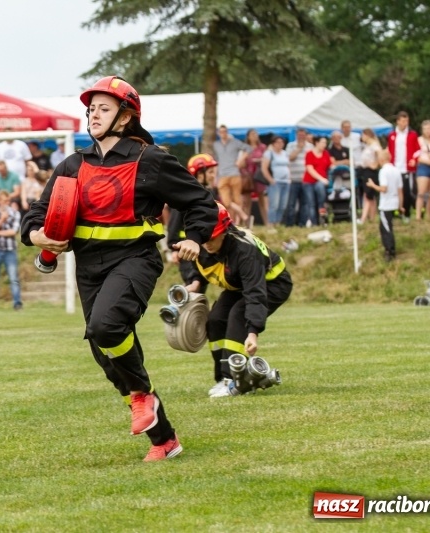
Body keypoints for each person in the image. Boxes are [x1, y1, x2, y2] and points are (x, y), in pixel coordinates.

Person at [21, 76, 218, 462]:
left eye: (104, 108)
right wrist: (39, 237)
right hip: (89, 266)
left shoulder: (152, 159)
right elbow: (35, 216)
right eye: (91, 108)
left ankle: (143, 396)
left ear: (125, 118)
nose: (94, 114)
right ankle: (165, 440)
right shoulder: (72, 164)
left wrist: (194, 236)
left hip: (135, 259)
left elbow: (200, 201)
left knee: (105, 328)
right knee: (107, 354)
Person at [181, 203, 292, 398]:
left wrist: (253, 331)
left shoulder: (244, 252)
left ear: (224, 231)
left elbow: (255, 294)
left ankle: (233, 379)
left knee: (238, 315)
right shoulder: (200, 241)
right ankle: (222, 380)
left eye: (212, 237)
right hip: (239, 284)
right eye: (203, 237)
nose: (207, 243)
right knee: (215, 320)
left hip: (272, 283)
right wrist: (195, 283)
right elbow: (199, 263)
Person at [167, 153, 217, 294]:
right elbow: (174, 225)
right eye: (211, 172)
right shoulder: (186, 196)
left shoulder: (210, 195)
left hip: (206, 248)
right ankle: (176, 307)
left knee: (200, 287)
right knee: (194, 284)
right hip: (186, 249)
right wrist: (174, 248)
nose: (214, 175)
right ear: (200, 174)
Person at [367, 151, 403, 261]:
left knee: (385, 228)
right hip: (395, 201)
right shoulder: (396, 170)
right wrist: (400, 205)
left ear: (381, 160)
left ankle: (390, 250)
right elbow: (400, 190)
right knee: (388, 226)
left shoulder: (383, 171)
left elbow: (383, 188)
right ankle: (390, 249)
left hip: (386, 204)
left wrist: (372, 185)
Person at [213, 124, 249, 224]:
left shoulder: (234, 142)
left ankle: (236, 222)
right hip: (222, 175)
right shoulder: (216, 145)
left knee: (237, 199)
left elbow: (248, 149)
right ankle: (243, 215)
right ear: (218, 133)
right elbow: (216, 161)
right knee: (226, 201)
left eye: (224, 131)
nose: (223, 134)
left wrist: (240, 160)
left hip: (234, 173)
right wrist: (215, 177)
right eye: (221, 132)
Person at [387, 111, 419, 221]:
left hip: (406, 168)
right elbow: (389, 150)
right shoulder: (392, 135)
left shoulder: (412, 134)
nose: (405, 123)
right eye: (403, 121)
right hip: (394, 167)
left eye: (407, 121)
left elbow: (417, 150)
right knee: (394, 191)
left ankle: (406, 213)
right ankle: (395, 212)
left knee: (406, 191)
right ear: (398, 121)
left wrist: (414, 160)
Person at [285, 128, 312, 226]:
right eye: (299, 135)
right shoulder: (290, 145)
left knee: (304, 203)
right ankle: (290, 224)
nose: (301, 137)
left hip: (306, 180)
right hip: (293, 179)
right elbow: (290, 158)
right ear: (296, 135)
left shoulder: (310, 146)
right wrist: (299, 148)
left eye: (303, 135)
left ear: (305, 135)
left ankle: (302, 223)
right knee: (291, 203)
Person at [261, 136, 291, 227]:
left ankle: (278, 223)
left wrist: (289, 178)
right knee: (274, 204)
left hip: (286, 182)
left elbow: (288, 166)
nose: (280, 144)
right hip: (275, 182)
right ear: (273, 143)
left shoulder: (285, 153)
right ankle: (271, 223)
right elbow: (264, 168)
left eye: (282, 142)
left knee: (283, 205)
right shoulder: (269, 154)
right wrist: (270, 179)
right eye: (278, 142)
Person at [302, 135, 331, 226]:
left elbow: (329, 166)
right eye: (323, 142)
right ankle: (314, 222)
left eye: (326, 143)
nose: (325, 145)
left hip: (321, 182)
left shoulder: (326, 153)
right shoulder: (309, 154)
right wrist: (321, 179)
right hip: (309, 182)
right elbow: (310, 169)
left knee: (321, 202)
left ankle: (322, 221)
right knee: (311, 203)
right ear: (317, 143)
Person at [241, 128, 267, 225]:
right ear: (248, 136)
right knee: (247, 202)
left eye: (255, 134)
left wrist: (258, 160)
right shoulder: (245, 148)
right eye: (252, 134)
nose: (254, 136)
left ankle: (267, 223)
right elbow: (241, 163)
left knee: (262, 200)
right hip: (248, 176)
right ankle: (246, 224)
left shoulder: (262, 147)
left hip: (259, 176)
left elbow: (266, 159)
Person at [357, 129, 382, 225]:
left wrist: (374, 165)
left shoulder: (374, 145)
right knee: (370, 195)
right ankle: (372, 217)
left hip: (371, 172)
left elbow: (379, 155)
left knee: (368, 195)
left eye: (363, 135)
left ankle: (363, 218)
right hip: (365, 171)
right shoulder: (367, 146)